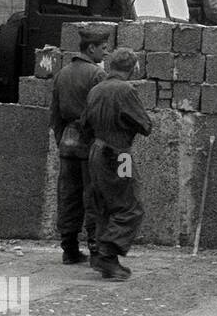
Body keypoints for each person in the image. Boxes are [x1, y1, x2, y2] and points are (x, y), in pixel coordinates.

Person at [80, 49, 153, 281]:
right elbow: (145, 125)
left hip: (96, 151)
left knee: (103, 205)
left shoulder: (96, 89)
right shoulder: (126, 90)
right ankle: (108, 254)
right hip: (120, 154)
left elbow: (85, 124)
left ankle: (101, 254)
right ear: (133, 68)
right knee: (130, 205)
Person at [49, 26, 109, 265]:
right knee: (93, 195)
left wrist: (60, 140)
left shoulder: (62, 73)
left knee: (68, 196)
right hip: (91, 143)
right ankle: (96, 249)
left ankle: (69, 249)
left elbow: (55, 113)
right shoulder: (97, 75)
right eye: (103, 48)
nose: (105, 53)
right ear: (91, 48)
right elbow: (100, 112)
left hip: (67, 142)